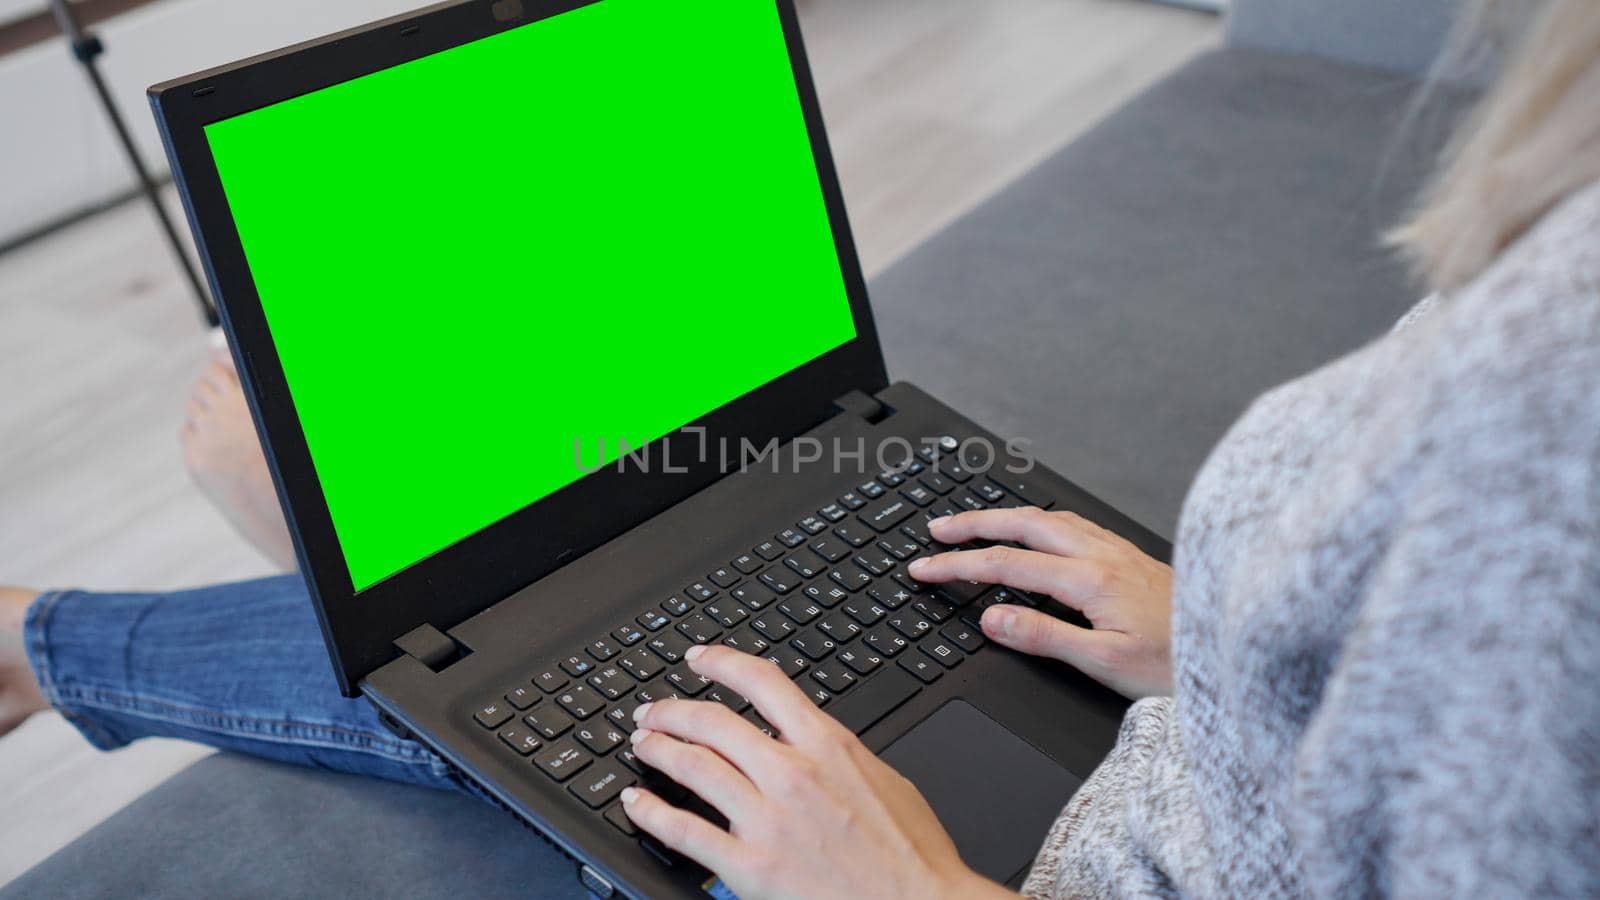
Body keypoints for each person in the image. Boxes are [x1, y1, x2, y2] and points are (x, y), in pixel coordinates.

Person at [4, 0, 1599, 895]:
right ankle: (376, 578)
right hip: (1174, 717)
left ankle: (124, 622)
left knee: (506, 671)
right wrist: (1247, 647)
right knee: (601, 605)